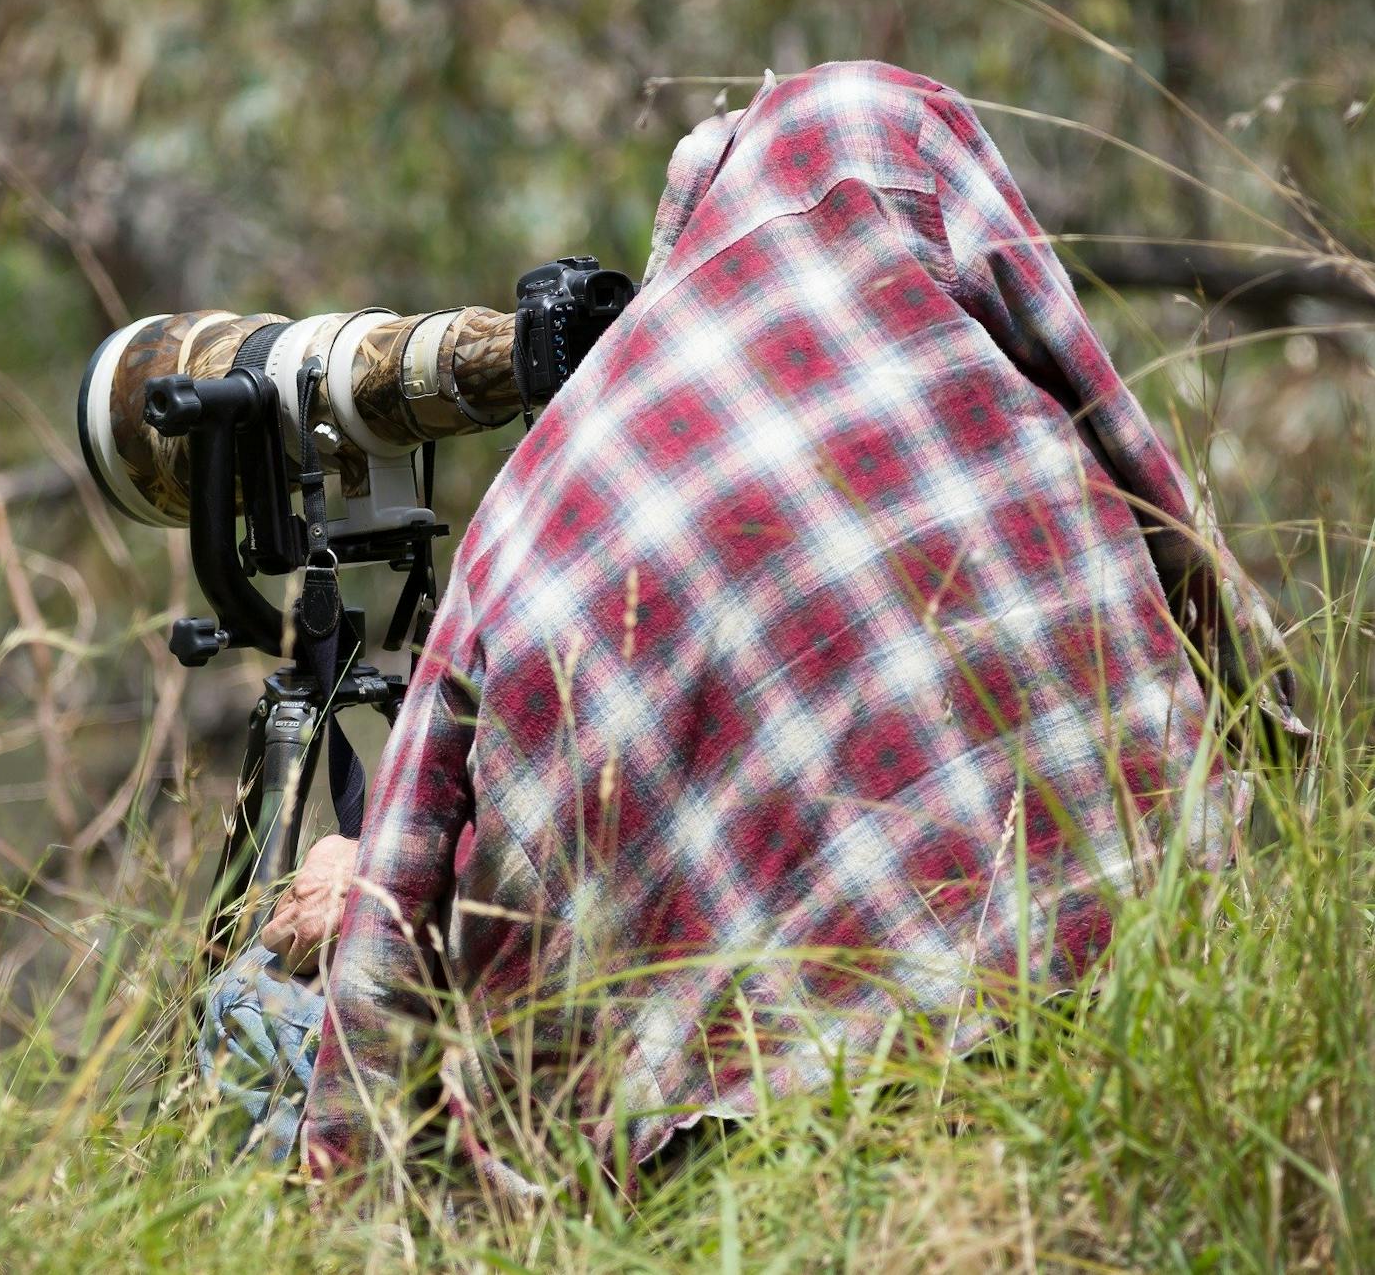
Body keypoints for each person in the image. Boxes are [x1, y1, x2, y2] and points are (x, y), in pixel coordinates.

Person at [200, 61, 1302, 1194]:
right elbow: (1186, 552)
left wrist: (356, 891)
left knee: (253, 1005)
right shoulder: (915, 218)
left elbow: (388, 1000)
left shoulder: (531, 526)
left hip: (734, 1136)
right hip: (1136, 981)